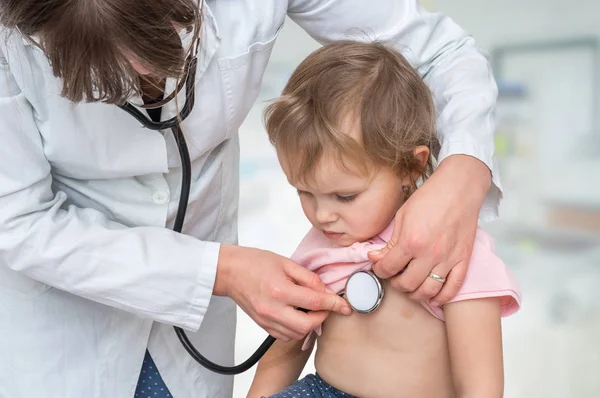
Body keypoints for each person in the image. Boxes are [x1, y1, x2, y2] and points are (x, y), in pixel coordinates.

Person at [0, 0, 500, 397]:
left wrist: (465, 168)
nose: (324, 214)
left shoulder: (463, 262)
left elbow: (438, 53)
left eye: (158, 46)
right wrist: (219, 271)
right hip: (64, 318)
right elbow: (16, 219)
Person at [248, 41, 521, 398]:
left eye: (345, 196)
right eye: (304, 192)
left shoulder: (454, 252)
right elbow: (282, 355)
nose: (322, 215)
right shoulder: (320, 244)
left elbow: (480, 386)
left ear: (410, 166)